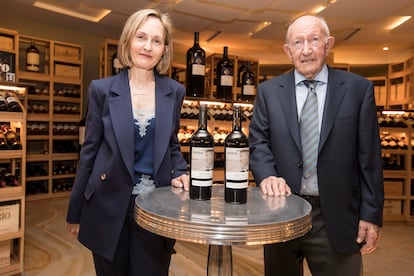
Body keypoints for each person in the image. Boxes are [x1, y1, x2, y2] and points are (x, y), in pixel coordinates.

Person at [248, 15, 384, 276]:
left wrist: (371, 215)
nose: (306, 50)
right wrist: (267, 175)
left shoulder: (358, 89)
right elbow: (259, 142)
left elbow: (370, 158)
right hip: (281, 211)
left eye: (314, 40)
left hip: (337, 216)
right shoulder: (268, 91)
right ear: (288, 51)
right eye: (298, 43)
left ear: (328, 44)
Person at [66, 9, 189, 275]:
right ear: (128, 41)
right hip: (107, 205)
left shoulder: (174, 92)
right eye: (141, 37)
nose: (147, 46)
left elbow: (171, 144)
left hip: (156, 207)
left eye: (156, 41)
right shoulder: (102, 89)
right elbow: (89, 152)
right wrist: (75, 211)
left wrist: (181, 171)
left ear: (164, 49)